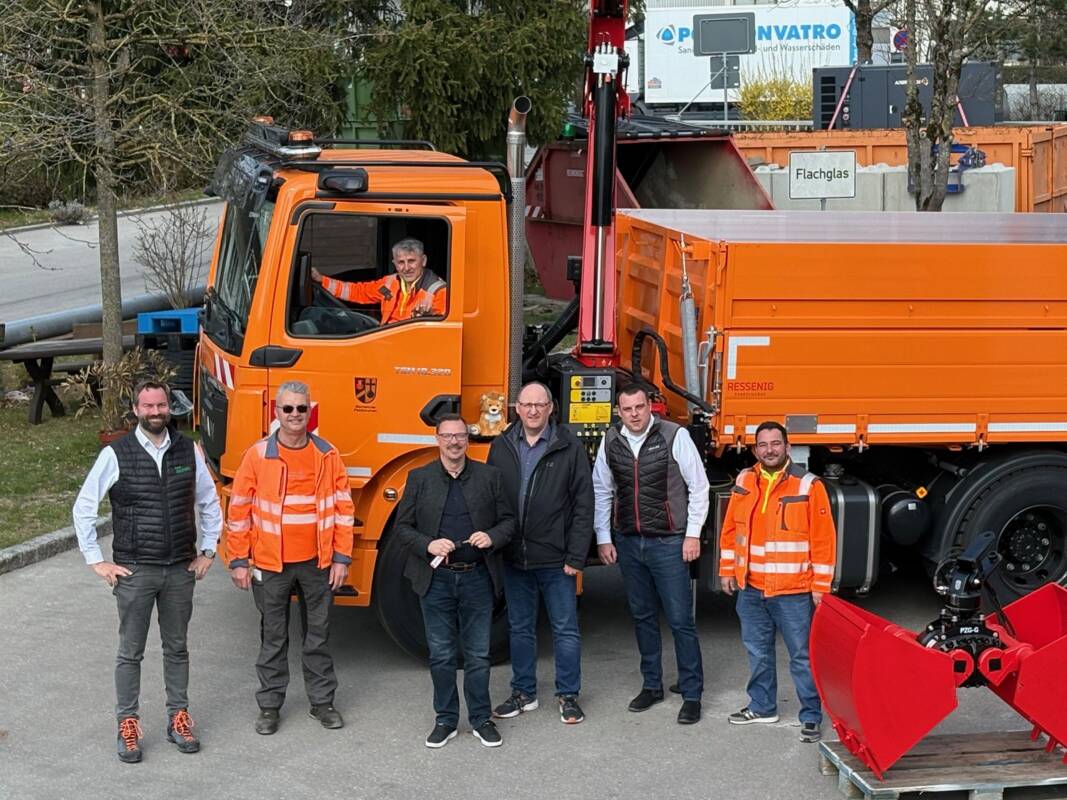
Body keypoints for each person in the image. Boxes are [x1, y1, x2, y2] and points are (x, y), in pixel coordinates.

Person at [72, 380, 223, 763]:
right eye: (148, 406)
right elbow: (84, 507)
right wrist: (96, 560)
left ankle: (179, 718)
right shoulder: (116, 453)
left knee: (177, 648)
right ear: (136, 410)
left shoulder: (188, 448)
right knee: (130, 652)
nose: (155, 412)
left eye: (161, 406)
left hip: (178, 569)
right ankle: (128, 725)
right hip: (135, 570)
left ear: (169, 408)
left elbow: (209, 501)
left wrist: (208, 550)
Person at [226, 381, 354, 736]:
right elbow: (239, 512)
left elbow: (344, 510)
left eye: (301, 408)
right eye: (288, 409)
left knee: (318, 636)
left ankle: (322, 703)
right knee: (273, 637)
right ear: (276, 412)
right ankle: (269, 707)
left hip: (318, 563)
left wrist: (342, 558)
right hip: (270, 564)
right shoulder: (257, 456)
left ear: (310, 412)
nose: (295, 415)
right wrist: (238, 560)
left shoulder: (328, 455)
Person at [394, 413, 515, 749]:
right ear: (437, 440)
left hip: (477, 578)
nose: (454, 442)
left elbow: (509, 522)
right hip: (436, 580)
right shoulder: (419, 479)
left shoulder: (490, 477)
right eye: (447, 436)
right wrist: (427, 544)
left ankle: (480, 719)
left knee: (478, 654)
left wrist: (491, 537)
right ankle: (445, 720)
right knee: (442, 655)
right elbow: (402, 529)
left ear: (468, 439)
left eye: (460, 435)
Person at [592, 384, 710, 725]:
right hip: (629, 542)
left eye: (640, 407)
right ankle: (652, 685)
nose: (634, 414)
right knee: (642, 617)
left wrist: (692, 535)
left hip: (669, 543)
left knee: (680, 620)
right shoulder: (610, 440)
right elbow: (602, 488)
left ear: (650, 407)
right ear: (619, 411)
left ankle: (691, 693)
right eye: (627, 409)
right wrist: (603, 537)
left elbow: (699, 487)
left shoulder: (675, 435)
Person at [718, 420, 836, 743]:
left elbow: (824, 540)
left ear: (787, 446)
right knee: (757, 650)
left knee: (801, 656)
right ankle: (762, 706)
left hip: (793, 590)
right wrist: (727, 570)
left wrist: (820, 588)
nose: (769, 450)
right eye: (763, 445)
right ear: (755, 449)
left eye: (776, 444)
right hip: (751, 586)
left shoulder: (808, 486)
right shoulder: (744, 479)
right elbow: (730, 530)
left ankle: (810, 715)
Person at [487, 382, 594, 725]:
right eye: (527, 404)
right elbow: (490, 499)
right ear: (517, 408)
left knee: (565, 629)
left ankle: (568, 695)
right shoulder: (501, 446)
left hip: (556, 558)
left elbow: (583, 504)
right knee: (520, 628)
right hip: (514, 556)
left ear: (551, 409)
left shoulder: (569, 446)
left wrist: (576, 556)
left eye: (540, 404)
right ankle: (523, 693)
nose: (533, 410)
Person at [310, 237, 446, 323]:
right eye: (401, 262)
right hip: (386, 339)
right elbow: (358, 292)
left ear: (423, 261)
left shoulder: (438, 291)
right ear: (394, 263)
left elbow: (440, 331)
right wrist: (322, 280)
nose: (406, 268)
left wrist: (428, 316)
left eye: (411, 261)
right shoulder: (389, 284)